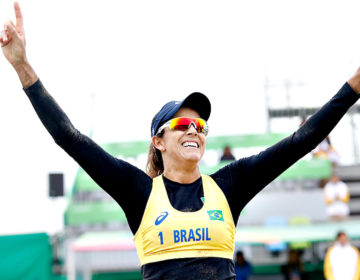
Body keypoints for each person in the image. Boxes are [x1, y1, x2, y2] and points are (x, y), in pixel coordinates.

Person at [2, 2, 360, 279]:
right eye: (184, 123)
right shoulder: (138, 192)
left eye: (201, 126)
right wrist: (22, 67)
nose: (194, 130)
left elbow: (302, 140)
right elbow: (69, 136)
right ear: (158, 140)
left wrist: (352, 88)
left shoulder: (230, 185)